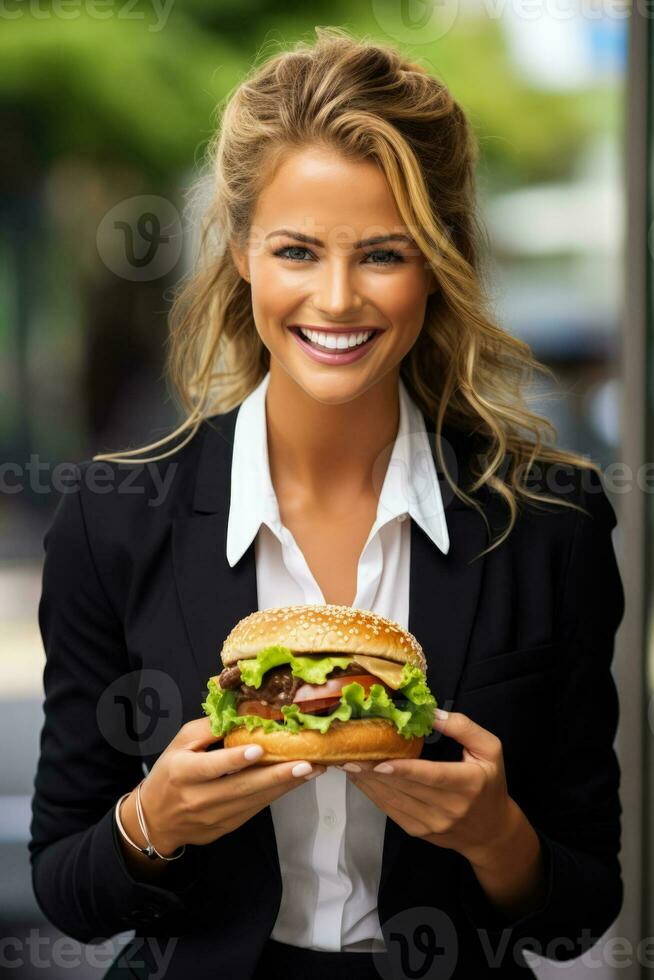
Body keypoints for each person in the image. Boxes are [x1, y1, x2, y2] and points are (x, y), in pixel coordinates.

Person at [28, 25, 625, 980]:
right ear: (240, 253)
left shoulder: (551, 523)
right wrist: (154, 823)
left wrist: (497, 835)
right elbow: (66, 887)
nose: (338, 299)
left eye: (385, 253)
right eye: (298, 250)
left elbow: (582, 910)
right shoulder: (113, 516)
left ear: (439, 262)